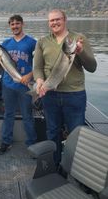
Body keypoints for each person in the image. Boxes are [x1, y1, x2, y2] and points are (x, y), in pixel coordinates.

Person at [33, 9, 97, 165]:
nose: (54, 23)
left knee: (76, 134)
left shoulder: (79, 39)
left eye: (57, 19)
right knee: (52, 131)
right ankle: (54, 166)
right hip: (50, 94)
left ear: (65, 19)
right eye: (51, 21)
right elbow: (37, 67)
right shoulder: (42, 41)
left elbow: (92, 67)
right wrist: (40, 80)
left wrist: (80, 52)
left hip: (74, 95)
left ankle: (75, 169)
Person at [0, 14, 37, 154]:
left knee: (27, 115)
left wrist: (30, 76)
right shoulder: (6, 43)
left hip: (25, 86)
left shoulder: (32, 42)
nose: (15, 26)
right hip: (8, 85)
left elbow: (39, 64)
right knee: (8, 114)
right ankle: (6, 141)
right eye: (12, 24)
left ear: (22, 24)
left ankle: (32, 143)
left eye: (17, 23)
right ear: (10, 26)